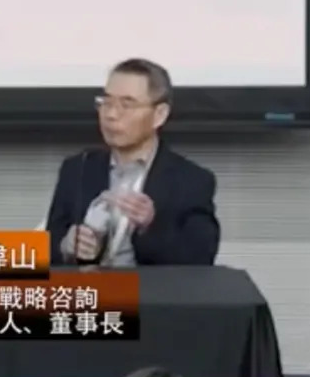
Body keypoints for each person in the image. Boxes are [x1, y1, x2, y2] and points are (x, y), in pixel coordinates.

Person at [45, 58, 220, 266]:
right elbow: (47, 248)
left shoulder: (192, 180)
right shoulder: (78, 168)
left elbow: (201, 258)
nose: (111, 114)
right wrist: (66, 245)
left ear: (159, 115)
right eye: (106, 102)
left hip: (151, 288)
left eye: (126, 105)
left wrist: (150, 227)